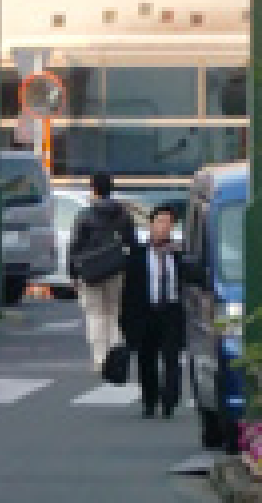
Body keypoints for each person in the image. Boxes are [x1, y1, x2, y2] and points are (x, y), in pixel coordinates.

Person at [118, 207, 203, 419]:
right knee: (147, 359)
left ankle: (170, 400)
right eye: (160, 221)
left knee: (172, 358)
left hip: (172, 312)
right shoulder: (138, 254)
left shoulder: (179, 254)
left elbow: (196, 278)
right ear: (151, 224)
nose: (164, 227)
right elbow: (129, 290)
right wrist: (126, 320)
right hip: (146, 311)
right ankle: (150, 400)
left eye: (169, 223)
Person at [70, 171, 136, 370]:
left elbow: (75, 245)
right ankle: (116, 358)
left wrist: (73, 273)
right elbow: (131, 242)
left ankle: (100, 360)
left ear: (94, 189)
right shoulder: (123, 214)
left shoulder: (85, 214)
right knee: (114, 312)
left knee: (95, 314)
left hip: (91, 271)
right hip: (116, 269)